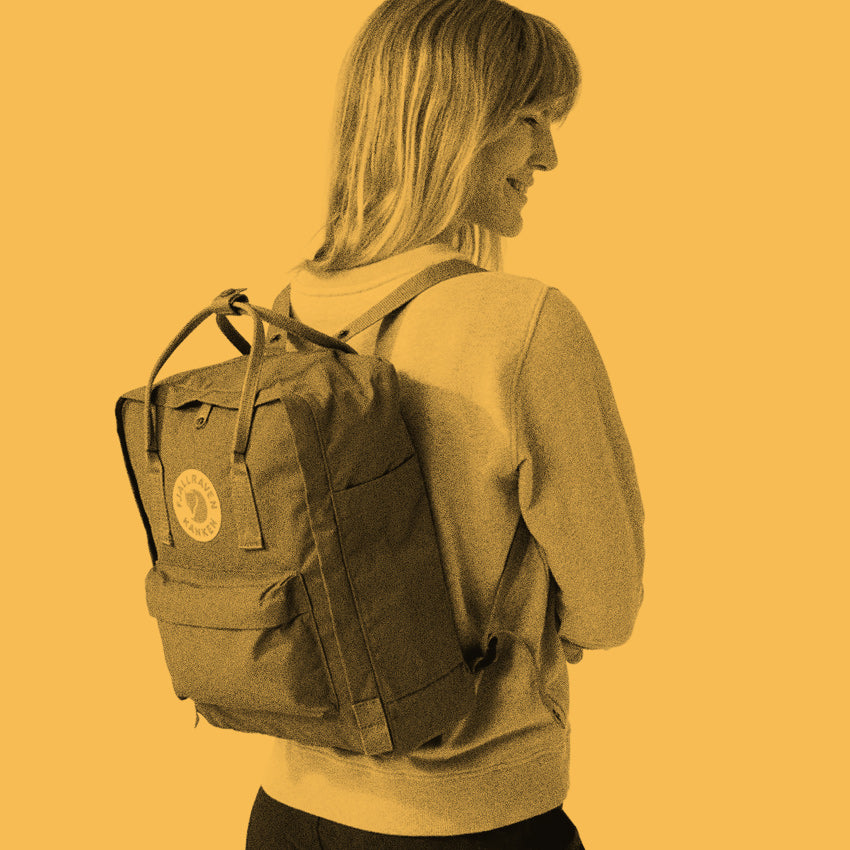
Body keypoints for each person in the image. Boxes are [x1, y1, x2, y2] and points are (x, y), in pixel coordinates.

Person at [246, 1, 644, 847]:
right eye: (529, 118)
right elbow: (608, 606)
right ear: (452, 123)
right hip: (468, 816)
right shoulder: (524, 326)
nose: (549, 154)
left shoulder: (284, 310)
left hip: (286, 809)